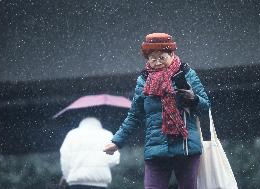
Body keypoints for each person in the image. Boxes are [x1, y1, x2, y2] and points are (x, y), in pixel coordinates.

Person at [103, 33, 210, 189]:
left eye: (162, 57)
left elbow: (205, 107)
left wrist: (194, 99)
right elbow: (134, 116)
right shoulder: (143, 80)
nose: (157, 62)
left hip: (186, 148)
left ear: (172, 54)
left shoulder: (187, 74)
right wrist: (116, 142)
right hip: (155, 149)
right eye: (153, 58)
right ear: (147, 59)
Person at [60, 117, 120, 189]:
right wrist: (102, 165)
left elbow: (65, 159)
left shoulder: (72, 134)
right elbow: (114, 160)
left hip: (76, 184)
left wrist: (67, 177)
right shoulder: (107, 134)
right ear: (98, 120)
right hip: (100, 184)